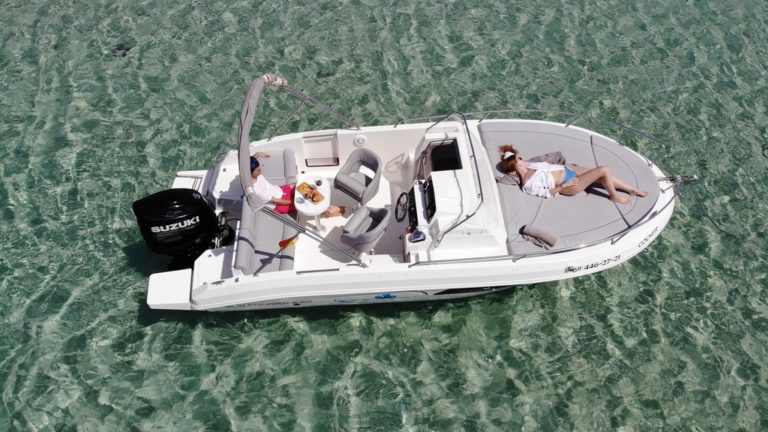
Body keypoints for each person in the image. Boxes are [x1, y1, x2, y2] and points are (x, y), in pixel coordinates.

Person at [499, 145, 648, 204]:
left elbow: (546, 164)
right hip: (567, 186)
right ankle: (614, 195)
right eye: (518, 162)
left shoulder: (531, 164)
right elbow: (547, 193)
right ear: (514, 169)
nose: (521, 160)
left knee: (601, 175)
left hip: (569, 170)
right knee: (603, 170)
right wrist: (565, 185)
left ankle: (630, 189)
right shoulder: (528, 184)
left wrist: (567, 167)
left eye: (520, 158)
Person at [249, 152, 345, 216]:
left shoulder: (249, 171)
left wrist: (258, 154)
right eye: (257, 170)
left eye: (259, 167)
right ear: (250, 172)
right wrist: (296, 201)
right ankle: (337, 210)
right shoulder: (257, 190)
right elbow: (277, 201)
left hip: (281, 190)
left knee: (304, 188)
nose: (260, 170)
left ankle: (322, 202)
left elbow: (251, 159)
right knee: (310, 204)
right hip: (279, 204)